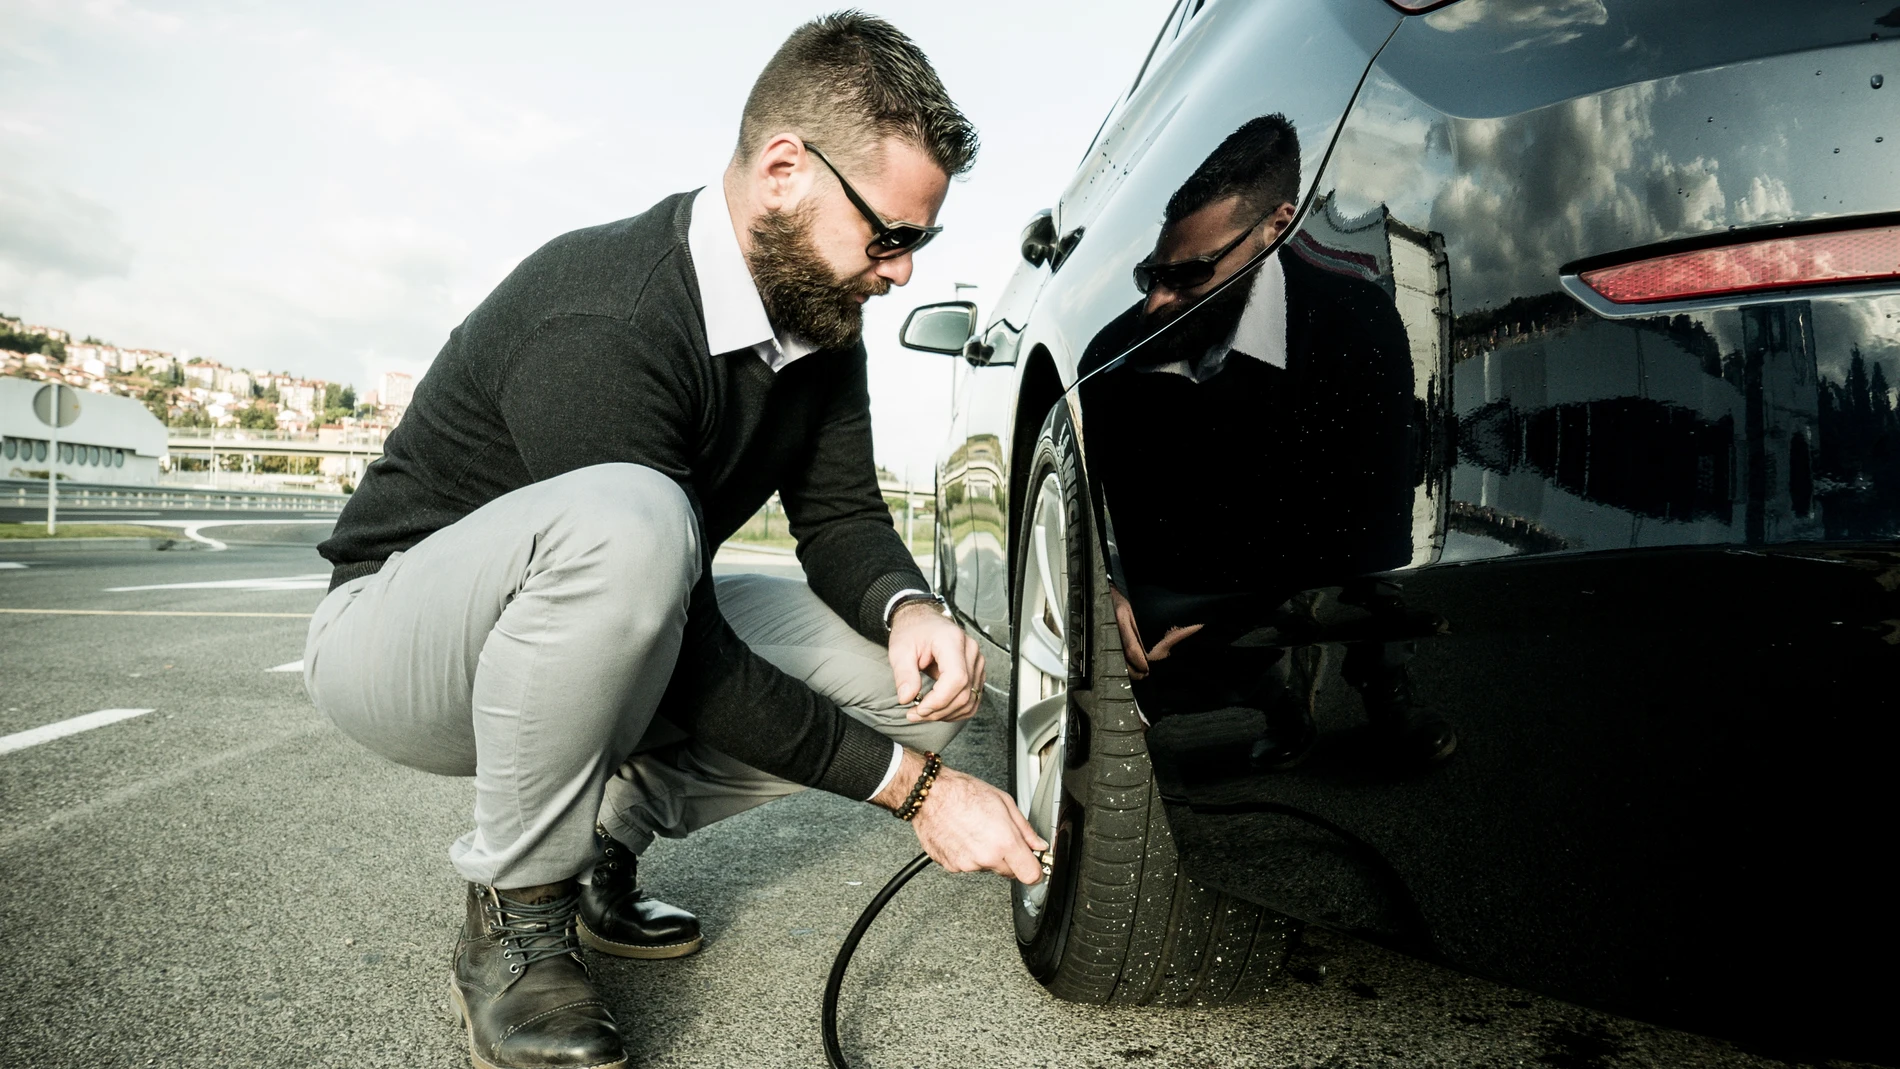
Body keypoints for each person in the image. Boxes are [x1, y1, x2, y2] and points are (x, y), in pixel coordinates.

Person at [302, 14, 1045, 1069]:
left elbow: (838, 514)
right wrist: (922, 793)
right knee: (638, 521)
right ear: (785, 168)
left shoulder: (821, 319)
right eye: (890, 235)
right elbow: (689, 651)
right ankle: (516, 922)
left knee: (906, 691)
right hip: (401, 638)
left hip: (613, 611)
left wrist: (908, 606)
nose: (902, 273)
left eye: (916, 242)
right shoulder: (606, 308)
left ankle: (601, 839)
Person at [1077, 114, 1453, 768]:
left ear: (1277, 227)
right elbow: (1099, 508)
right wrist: (1103, 582)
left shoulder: (1356, 323)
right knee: (1141, 652)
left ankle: (1384, 688)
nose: (1157, 303)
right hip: (1191, 553)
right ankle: (1272, 695)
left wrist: (1275, 600)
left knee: (1377, 573)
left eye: (1189, 276)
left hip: (1318, 545)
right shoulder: (1110, 358)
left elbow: (1382, 517)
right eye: (1151, 275)